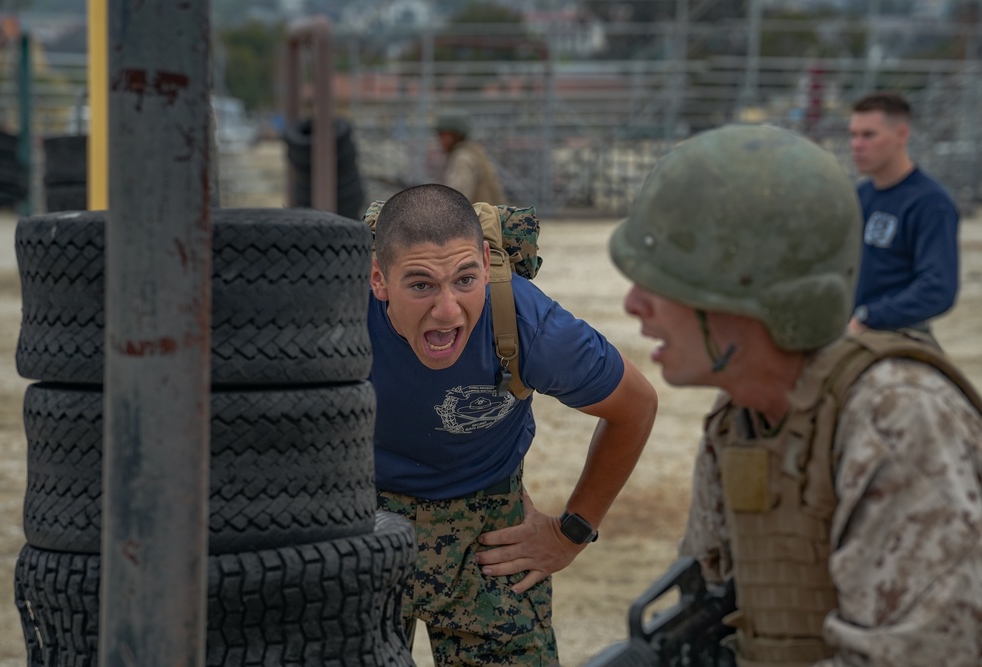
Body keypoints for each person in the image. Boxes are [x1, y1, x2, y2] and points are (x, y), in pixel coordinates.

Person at [610, 124, 982, 666]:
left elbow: (923, 654)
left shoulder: (897, 417)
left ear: (754, 292)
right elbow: (721, 609)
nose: (634, 304)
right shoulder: (743, 416)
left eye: (664, 281)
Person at [368, 183, 658, 666]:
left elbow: (635, 406)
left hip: (488, 529)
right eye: (420, 285)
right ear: (379, 280)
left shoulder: (527, 324)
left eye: (465, 279)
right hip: (364, 519)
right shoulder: (338, 315)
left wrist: (572, 532)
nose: (446, 310)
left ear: (485, 262)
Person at [847, 91, 960, 338]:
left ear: (901, 135)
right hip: (848, 332)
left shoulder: (930, 202)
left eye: (868, 135)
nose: (856, 145)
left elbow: (937, 288)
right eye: (853, 135)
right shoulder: (858, 196)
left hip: (899, 336)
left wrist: (870, 317)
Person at [435, 109, 508, 204]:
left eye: (444, 135)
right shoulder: (473, 152)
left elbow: (456, 202)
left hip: (480, 218)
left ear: (455, 135)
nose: (441, 141)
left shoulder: (462, 158)